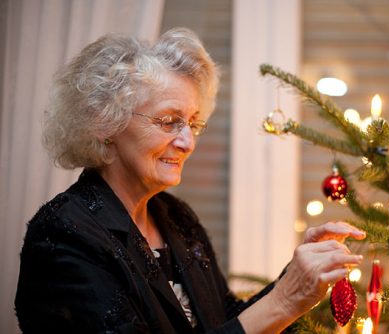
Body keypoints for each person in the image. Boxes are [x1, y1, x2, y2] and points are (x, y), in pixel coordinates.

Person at [14, 28, 365, 334]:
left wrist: (297, 281)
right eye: (169, 121)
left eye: (193, 124)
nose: (188, 142)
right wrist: (285, 300)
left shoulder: (177, 219)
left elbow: (226, 322)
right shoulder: (62, 236)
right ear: (106, 124)